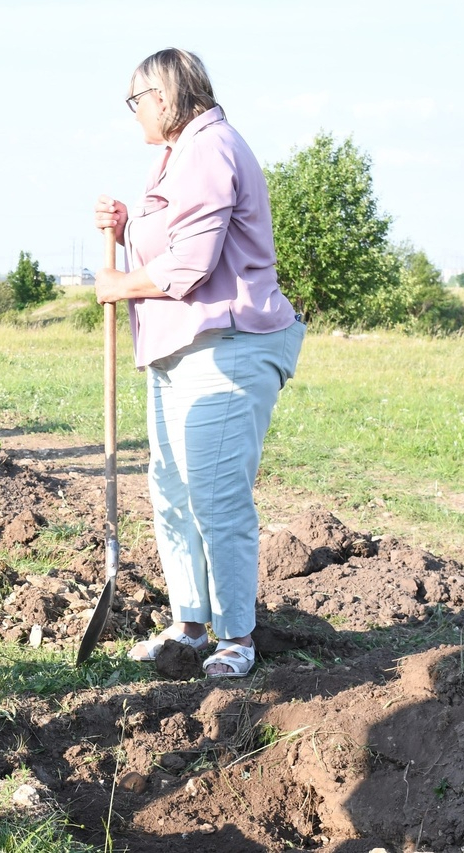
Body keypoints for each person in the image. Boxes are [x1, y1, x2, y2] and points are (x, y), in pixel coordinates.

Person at [94, 49, 306, 678]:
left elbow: (191, 266)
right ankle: (189, 624)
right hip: (178, 348)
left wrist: (120, 285)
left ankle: (235, 637)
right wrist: (130, 228)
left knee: (215, 497)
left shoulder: (210, 148)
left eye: (136, 102)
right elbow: (175, 239)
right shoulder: (175, 155)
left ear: (163, 97)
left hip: (227, 344)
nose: (133, 116)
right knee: (173, 492)